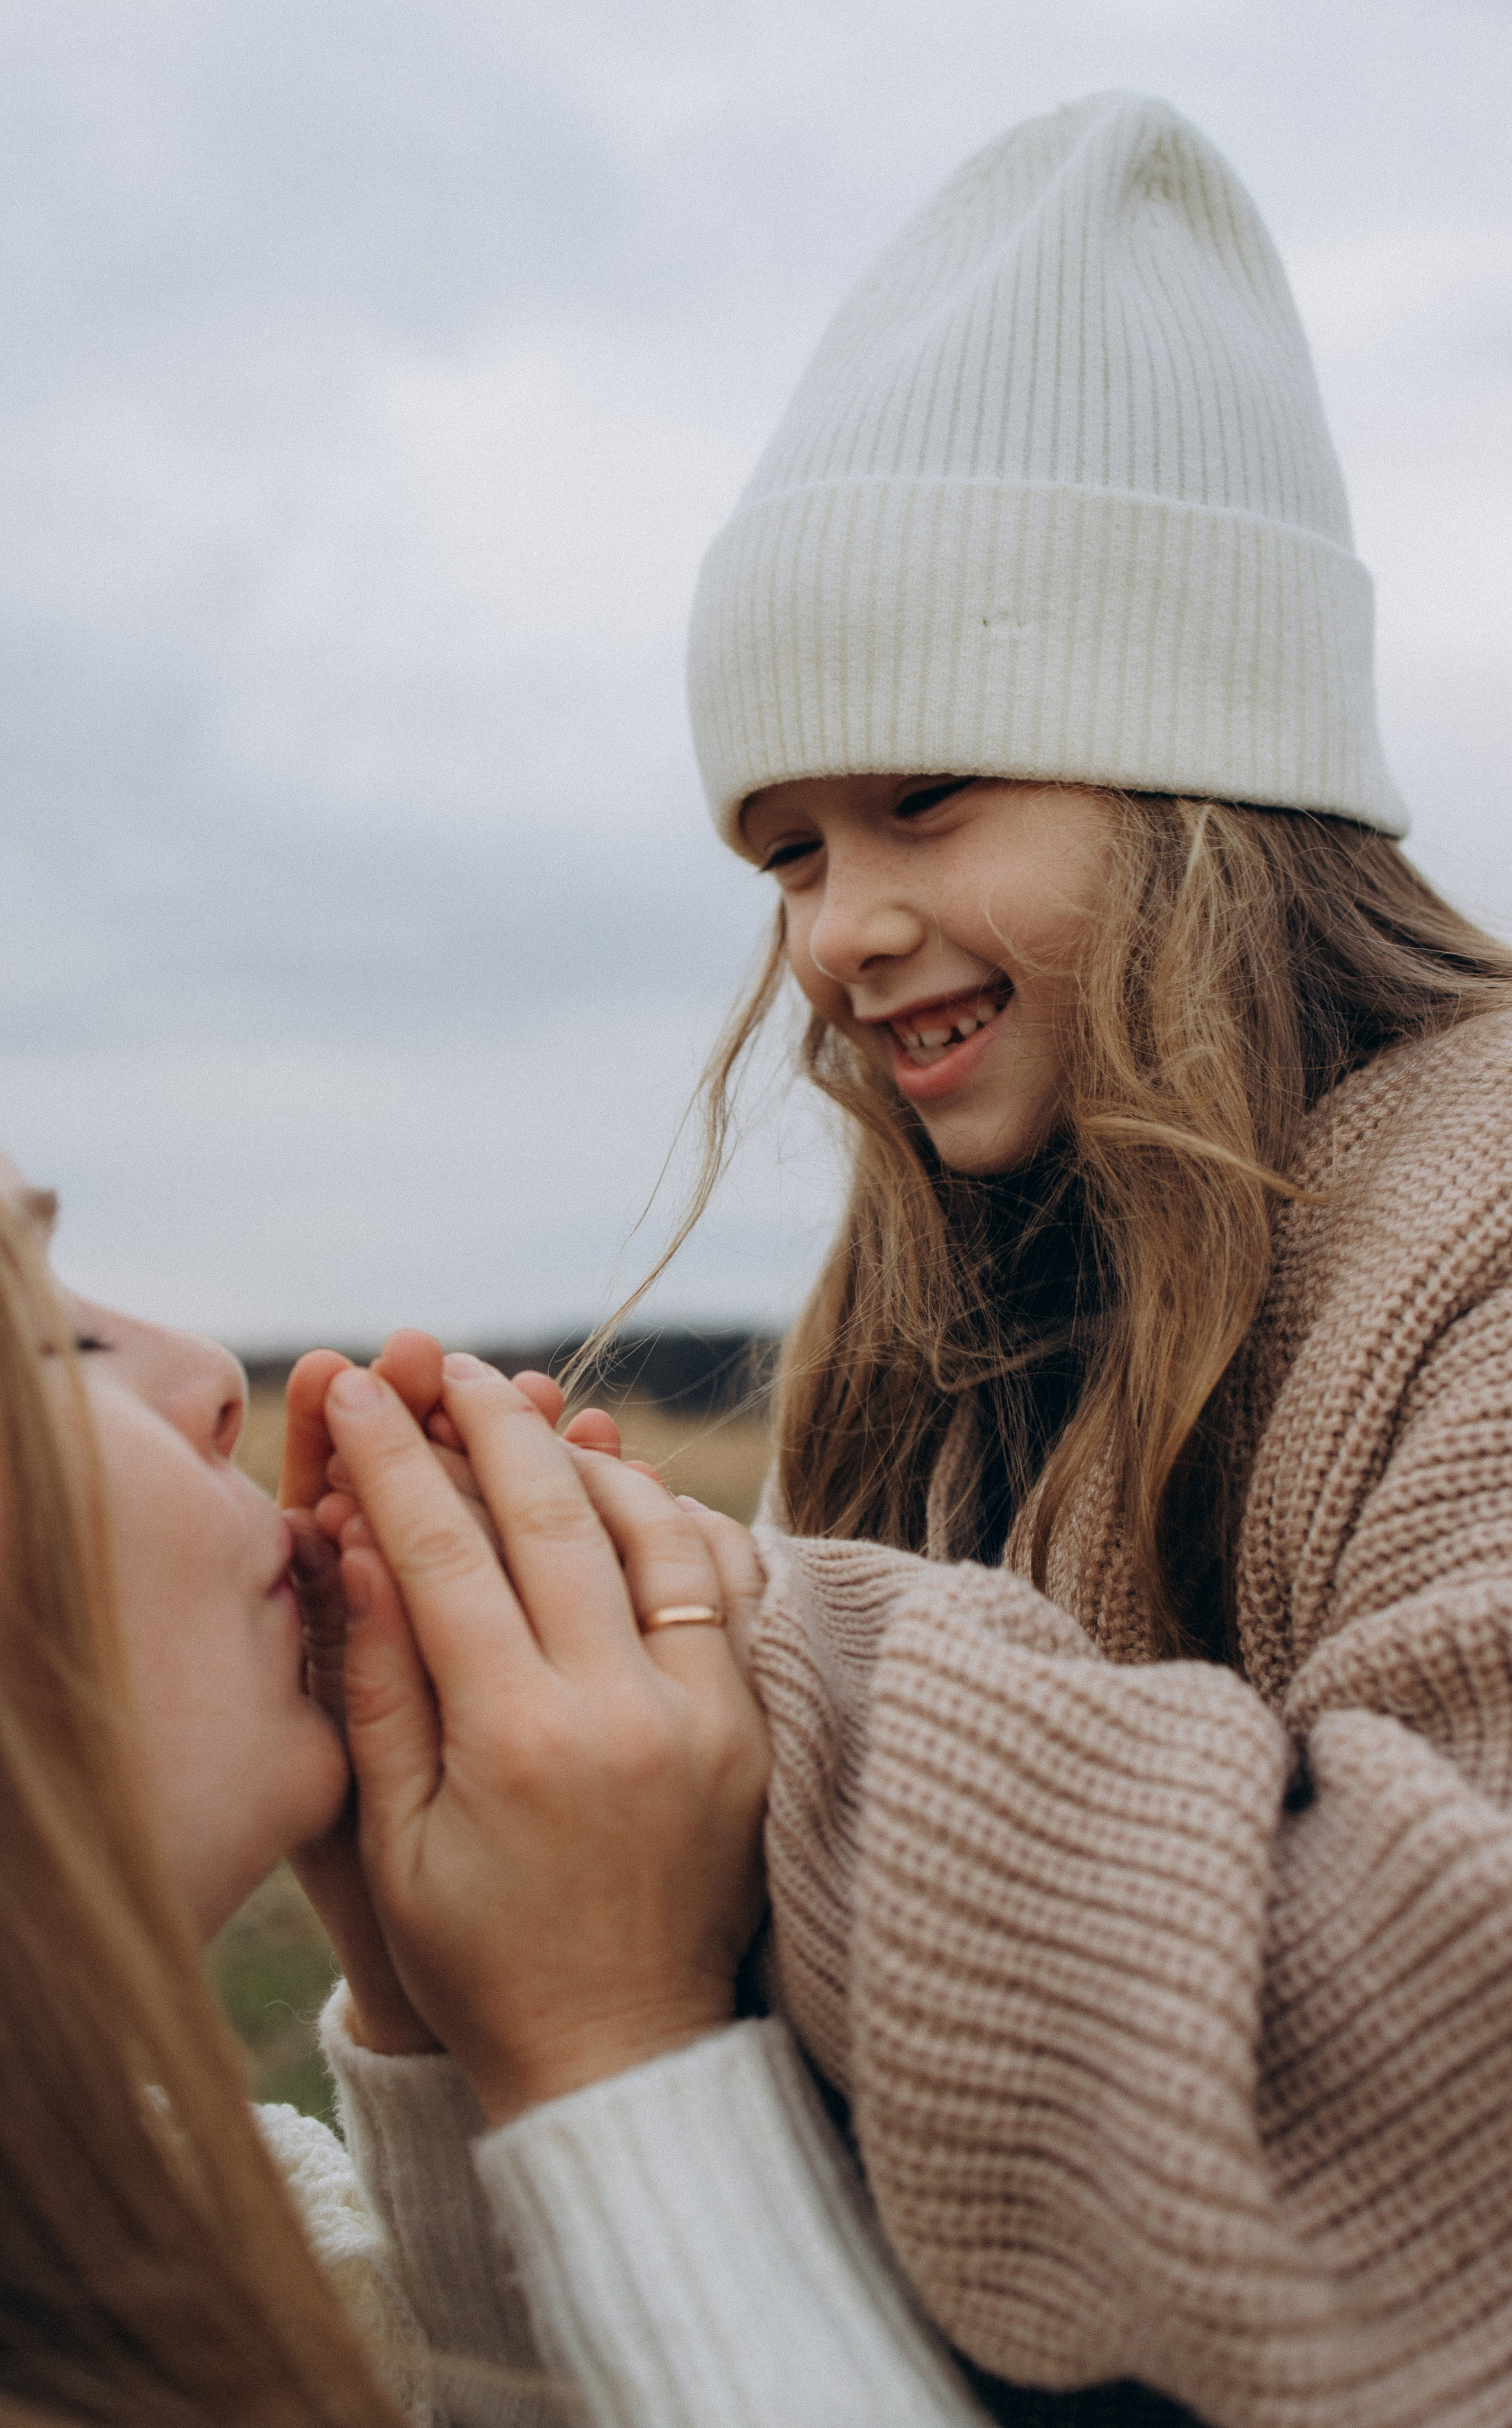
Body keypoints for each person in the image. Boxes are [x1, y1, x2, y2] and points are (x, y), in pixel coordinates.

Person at [567, 89, 1512, 2428]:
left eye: (922, 798)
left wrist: (727, 1650)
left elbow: (1441, 2075)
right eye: (784, 850)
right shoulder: (909, 1335)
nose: (840, 933)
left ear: (1208, 771)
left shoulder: (1482, 1223)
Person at [0, 1055, 989, 2428]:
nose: (213, 1380)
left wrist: (437, 2022)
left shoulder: (52, 2239)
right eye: (45, 1337)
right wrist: (618, 2048)